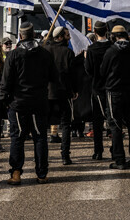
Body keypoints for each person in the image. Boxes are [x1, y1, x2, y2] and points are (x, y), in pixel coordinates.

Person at [0, 23, 58, 185]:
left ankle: (16, 172)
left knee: (17, 138)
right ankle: (42, 173)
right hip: (39, 102)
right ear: (33, 34)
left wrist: (4, 100)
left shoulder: (14, 55)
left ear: (20, 36)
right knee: (40, 138)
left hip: (18, 103)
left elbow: (6, 80)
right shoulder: (44, 54)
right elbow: (54, 77)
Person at [100, 25, 130, 169]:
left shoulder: (111, 51)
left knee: (115, 126)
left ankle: (119, 160)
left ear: (113, 36)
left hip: (115, 92)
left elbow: (103, 71)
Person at [45, 26, 77, 165]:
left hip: (49, 93)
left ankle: (43, 155)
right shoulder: (67, 52)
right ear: (59, 37)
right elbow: (73, 75)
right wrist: (74, 90)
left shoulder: (46, 51)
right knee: (65, 126)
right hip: (62, 93)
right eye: (67, 35)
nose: (69, 37)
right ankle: (65, 156)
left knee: (45, 126)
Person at [84, 21, 112, 160]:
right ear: (106, 30)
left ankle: (98, 151)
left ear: (94, 32)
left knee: (97, 122)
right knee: (113, 119)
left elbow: (88, 70)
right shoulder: (112, 47)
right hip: (111, 86)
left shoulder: (91, 49)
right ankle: (115, 149)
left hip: (97, 87)